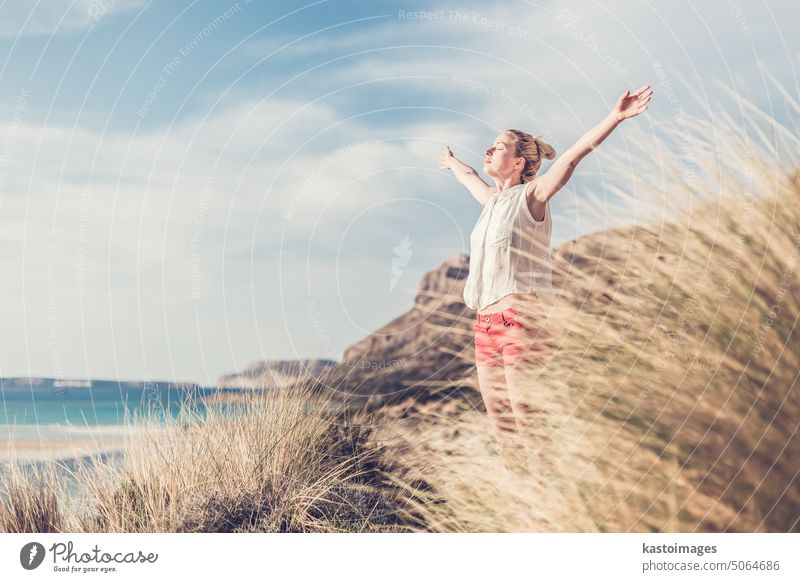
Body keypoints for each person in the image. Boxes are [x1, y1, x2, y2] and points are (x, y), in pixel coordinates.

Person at [438, 85, 653, 473]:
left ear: (520, 163)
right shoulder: (491, 202)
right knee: (500, 424)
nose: (489, 150)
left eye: (499, 146)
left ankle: (551, 490)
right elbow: (469, 175)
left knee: (526, 417)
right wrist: (452, 163)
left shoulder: (532, 196)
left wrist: (616, 117)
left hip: (522, 321)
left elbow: (573, 157)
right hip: (484, 326)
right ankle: (521, 505)